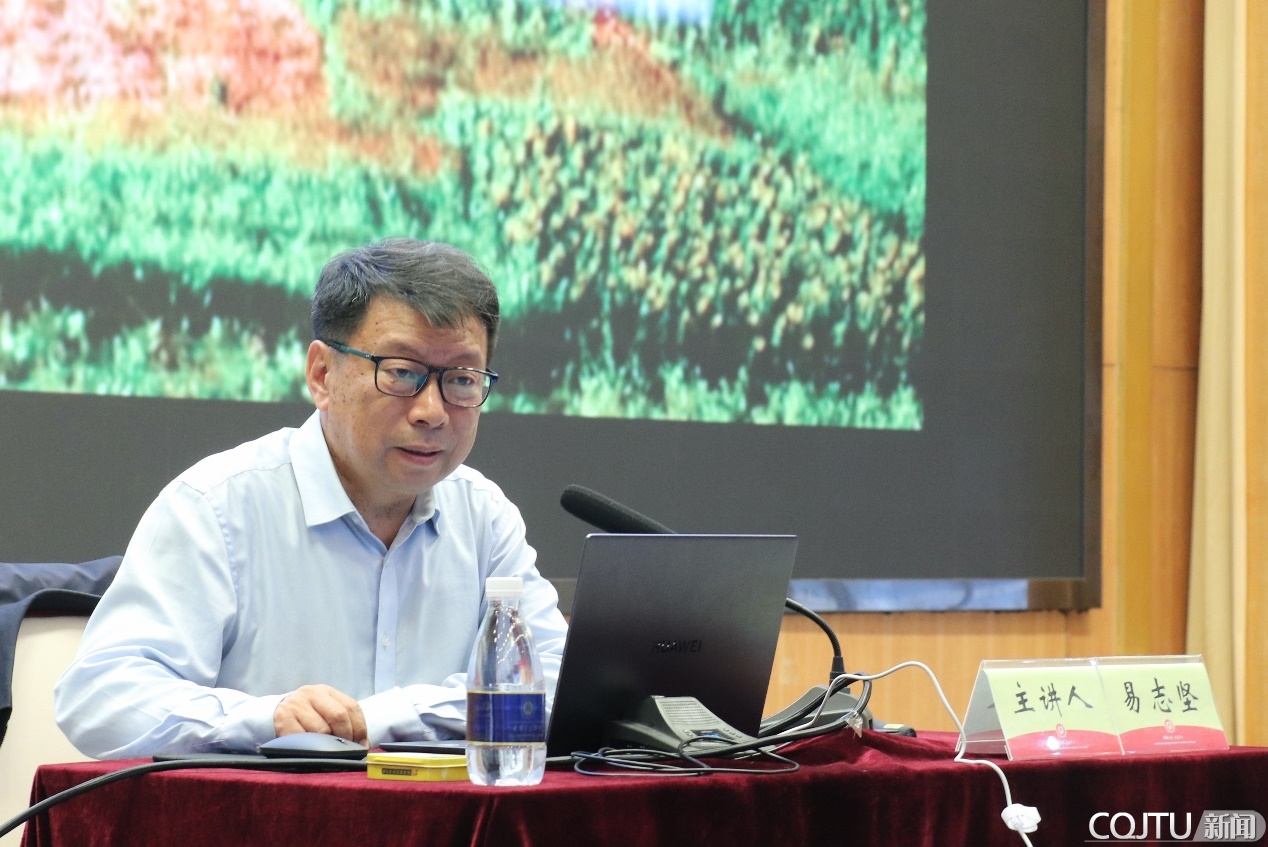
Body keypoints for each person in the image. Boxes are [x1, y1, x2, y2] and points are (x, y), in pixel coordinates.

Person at [53, 238, 568, 759]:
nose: (432, 412)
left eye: (460, 380)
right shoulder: (217, 507)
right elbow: (100, 695)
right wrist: (265, 720)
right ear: (322, 375)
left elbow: (557, 683)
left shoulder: (484, 517)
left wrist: (384, 719)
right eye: (402, 373)